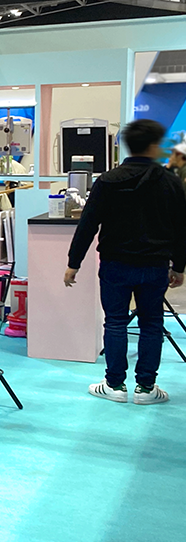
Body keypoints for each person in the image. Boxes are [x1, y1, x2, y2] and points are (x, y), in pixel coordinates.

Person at [65, 119, 186, 404]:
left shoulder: (108, 181)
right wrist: (179, 267)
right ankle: (146, 388)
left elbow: (88, 224)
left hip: (115, 264)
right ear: (154, 146)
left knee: (115, 322)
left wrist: (74, 263)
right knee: (152, 324)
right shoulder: (171, 183)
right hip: (155, 266)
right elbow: (182, 229)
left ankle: (115, 385)